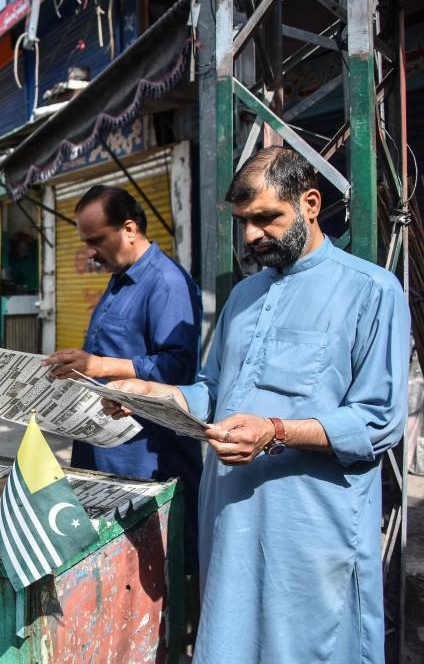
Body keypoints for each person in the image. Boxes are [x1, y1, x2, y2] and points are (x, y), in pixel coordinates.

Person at [102, 147, 410, 663]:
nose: (250, 236)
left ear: (310, 203)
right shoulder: (244, 298)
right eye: (244, 222)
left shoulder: (372, 291)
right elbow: (215, 392)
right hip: (230, 524)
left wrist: (276, 430)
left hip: (311, 533)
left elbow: (379, 421)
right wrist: (159, 397)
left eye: (266, 218)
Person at [42, 185, 202, 571]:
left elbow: (176, 367)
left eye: (96, 241)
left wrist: (98, 366)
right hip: (103, 448)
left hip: (145, 456)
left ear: (129, 229)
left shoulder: (166, 283)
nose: (90, 253)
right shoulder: (121, 276)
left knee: (154, 565)